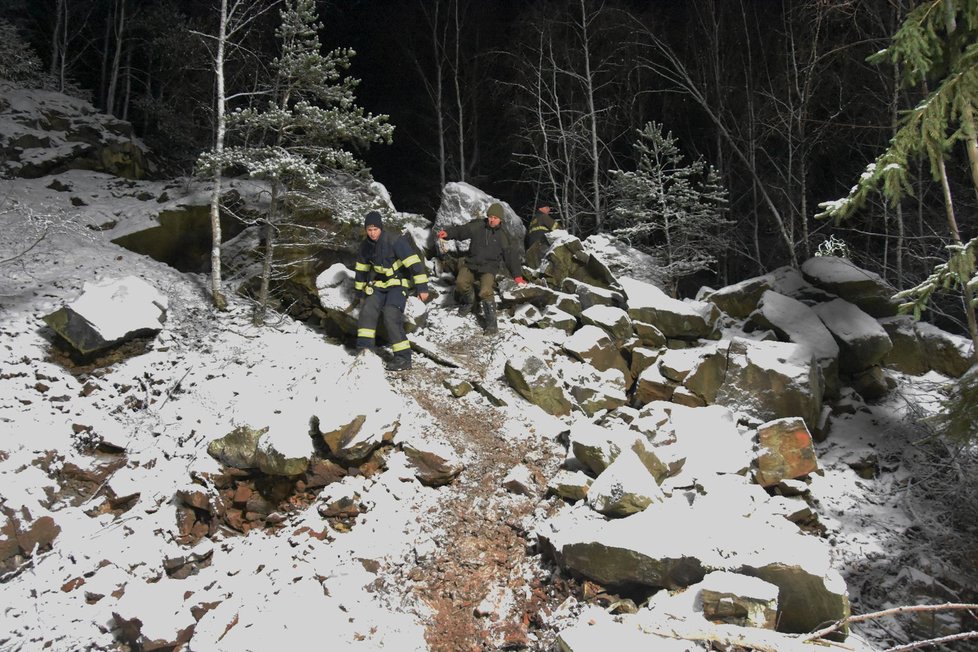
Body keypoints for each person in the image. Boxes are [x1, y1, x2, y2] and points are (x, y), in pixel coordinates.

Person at [353, 211, 429, 371]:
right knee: (367, 310)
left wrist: (422, 287)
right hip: (379, 285)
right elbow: (361, 270)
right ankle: (364, 350)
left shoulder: (395, 241)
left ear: (380, 228)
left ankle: (403, 358)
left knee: (390, 314)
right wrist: (359, 293)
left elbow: (415, 264)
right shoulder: (365, 246)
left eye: (375, 229)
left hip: (398, 285)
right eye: (369, 230)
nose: (372, 233)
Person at [437, 202, 526, 334]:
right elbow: (462, 230)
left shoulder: (504, 235)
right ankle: (469, 302)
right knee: (461, 283)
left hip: (489, 268)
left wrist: (517, 276)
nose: (492, 220)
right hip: (471, 263)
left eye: (495, 218)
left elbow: (511, 257)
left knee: (485, 291)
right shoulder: (478, 225)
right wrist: (448, 233)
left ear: (500, 219)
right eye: (490, 217)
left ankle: (491, 325)